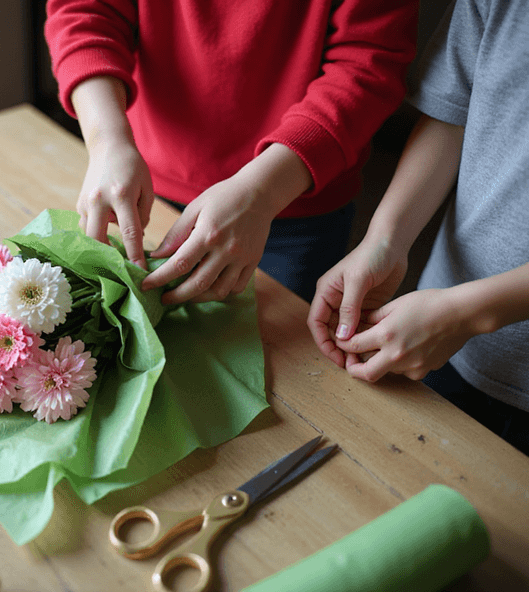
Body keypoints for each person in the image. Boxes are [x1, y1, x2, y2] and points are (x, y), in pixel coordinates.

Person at [44, 1, 418, 304]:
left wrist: (263, 192)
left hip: (291, 207)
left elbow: (368, 63)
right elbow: (86, 11)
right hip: (148, 191)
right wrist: (107, 138)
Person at [308, 0, 529, 455]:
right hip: (440, 333)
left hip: (451, 319)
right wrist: (385, 238)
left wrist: (471, 312)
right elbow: (451, 113)